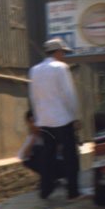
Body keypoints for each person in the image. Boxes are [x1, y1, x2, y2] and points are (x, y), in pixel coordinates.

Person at [28, 37, 81, 200]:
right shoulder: (61, 68)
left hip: (44, 121)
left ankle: (45, 190)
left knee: (48, 156)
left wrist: (37, 118)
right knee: (70, 156)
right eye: (63, 52)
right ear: (58, 52)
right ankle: (72, 192)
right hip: (62, 120)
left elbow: (33, 96)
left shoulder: (34, 70)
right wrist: (75, 116)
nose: (64, 55)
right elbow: (68, 94)